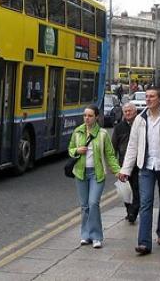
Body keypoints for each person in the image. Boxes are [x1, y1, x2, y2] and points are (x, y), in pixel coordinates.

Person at [118, 86, 160, 256]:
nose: (148, 99)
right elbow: (132, 146)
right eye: (147, 96)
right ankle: (144, 243)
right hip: (146, 168)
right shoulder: (140, 120)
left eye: (152, 96)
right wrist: (125, 169)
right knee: (146, 203)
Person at [69, 104, 121, 249]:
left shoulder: (103, 134)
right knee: (84, 206)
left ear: (96, 117)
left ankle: (97, 236)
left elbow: (110, 155)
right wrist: (77, 150)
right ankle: (85, 235)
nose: (87, 118)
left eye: (90, 115)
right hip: (80, 173)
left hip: (96, 173)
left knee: (93, 204)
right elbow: (70, 149)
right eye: (85, 115)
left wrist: (118, 171)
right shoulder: (77, 132)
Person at [111, 102, 140, 224]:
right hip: (124, 164)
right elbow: (113, 146)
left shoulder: (141, 125)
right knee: (126, 191)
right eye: (125, 111)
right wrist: (115, 166)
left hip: (139, 164)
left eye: (130, 111)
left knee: (137, 189)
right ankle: (129, 210)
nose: (128, 113)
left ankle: (134, 211)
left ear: (135, 112)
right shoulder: (119, 127)